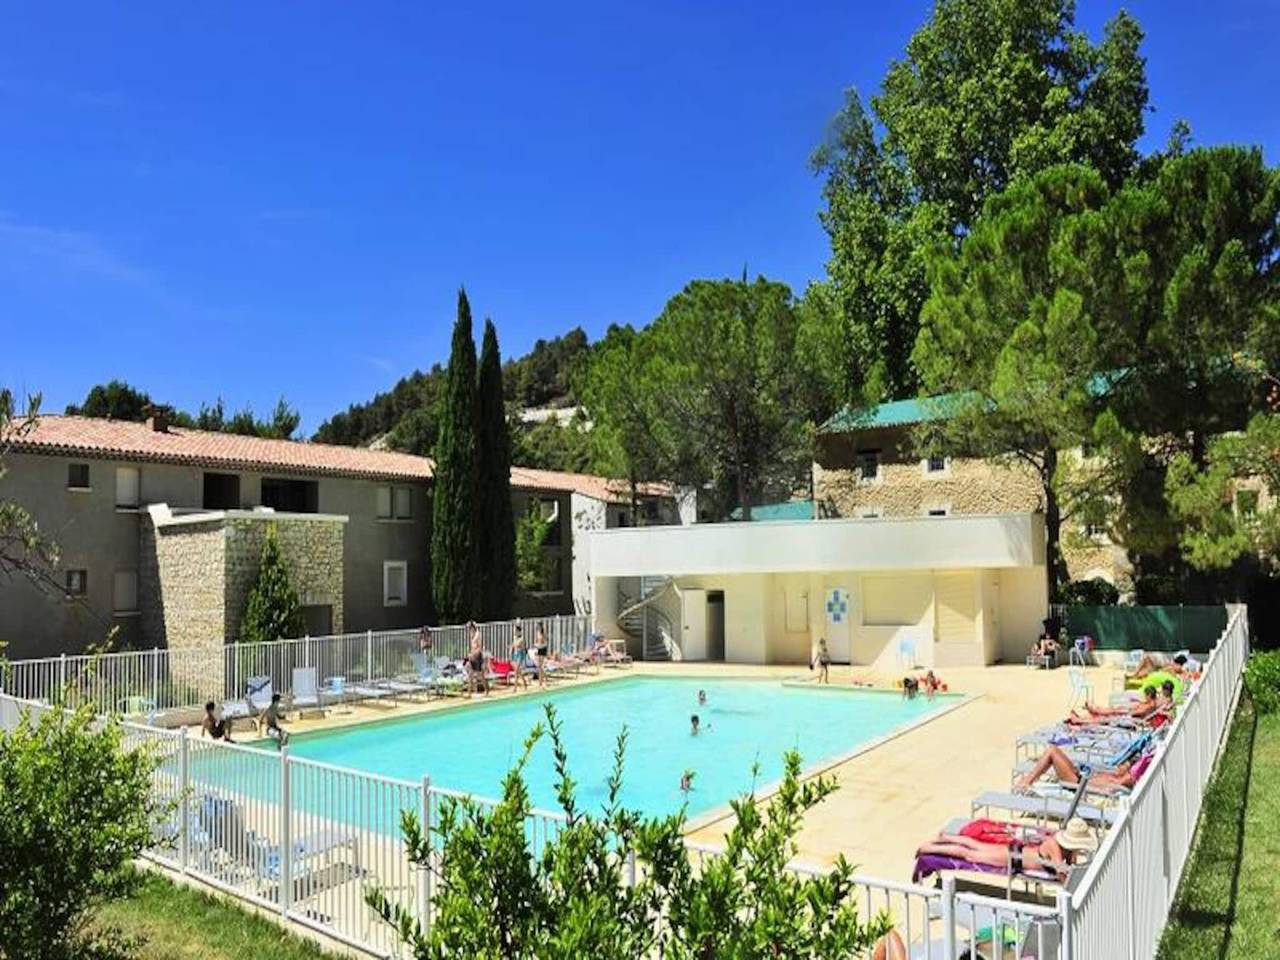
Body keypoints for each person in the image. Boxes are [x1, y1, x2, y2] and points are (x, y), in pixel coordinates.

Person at [915, 817, 1096, 883]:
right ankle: (928, 847)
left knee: (975, 847)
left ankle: (945, 838)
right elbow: (1062, 874)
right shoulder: (1054, 845)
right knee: (970, 854)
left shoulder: (1066, 849)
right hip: (1013, 857)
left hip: (1016, 852)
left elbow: (1068, 868)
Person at [1015, 743, 1149, 794]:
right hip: (1081, 778)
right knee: (1054, 751)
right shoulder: (1119, 778)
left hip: (1076, 785)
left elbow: (1106, 790)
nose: (1120, 766)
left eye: (1125, 766)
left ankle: (1027, 781)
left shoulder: (1119, 782)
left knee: (1052, 751)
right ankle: (1032, 773)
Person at [466, 628, 489, 697]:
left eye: (471, 630)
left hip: (478, 658)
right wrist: (470, 654)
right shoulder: (472, 638)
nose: (470, 632)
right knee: (470, 674)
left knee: (481, 676)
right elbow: (472, 649)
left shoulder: (477, 636)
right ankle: (469, 693)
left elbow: (479, 648)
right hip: (472, 659)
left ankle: (487, 689)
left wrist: (474, 654)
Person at [510, 624, 531, 690]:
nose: (515, 632)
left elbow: (524, 648)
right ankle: (525, 683)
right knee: (518, 671)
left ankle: (515, 687)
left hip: (520, 654)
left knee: (516, 670)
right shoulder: (514, 638)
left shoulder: (522, 639)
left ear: (519, 631)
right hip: (515, 654)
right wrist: (510, 653)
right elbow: (513, 646)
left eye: (516, 630)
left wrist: (525, 657)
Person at [533, 624, 550, 688]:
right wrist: (536, 645)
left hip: (543, 649)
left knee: (541, 666)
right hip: (539, 649)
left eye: (539, 627)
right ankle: (541, 681)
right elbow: (537, 642)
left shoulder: (543, 634)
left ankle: (544, 680)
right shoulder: (537, 633)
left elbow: (545, 643)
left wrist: (540, 645)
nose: (538, 628)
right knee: (539, 667)